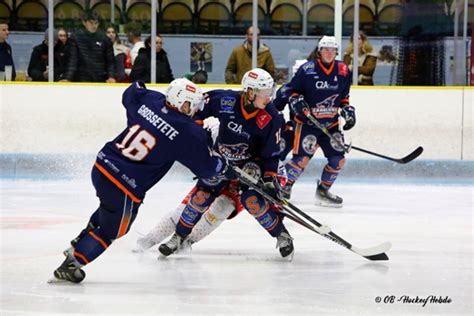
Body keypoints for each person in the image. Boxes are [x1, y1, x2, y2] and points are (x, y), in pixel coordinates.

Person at [50, 78, 235, 284]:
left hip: (103, 166)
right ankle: (72, 263)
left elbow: (131, 92)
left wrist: (140, 82)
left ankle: (81, 239)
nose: (192, 110)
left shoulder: (151, 100)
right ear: (182, 102)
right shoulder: (187, 131)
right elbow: (208, 168)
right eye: (190, 104)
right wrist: (223, 165)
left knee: (108, 208)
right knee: (113, 230)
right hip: (125, 185)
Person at [158, 68, 295, 259]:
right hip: (221, 161)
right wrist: (198, 135)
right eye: (264, 93)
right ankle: (179, 236)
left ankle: (281, 235)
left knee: (252, 201)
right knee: (201, 196)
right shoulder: (226, 101)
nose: (269, 97)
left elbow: (271, 155)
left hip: (250, 167)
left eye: (269, 92)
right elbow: (197, 109)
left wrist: (269, 179)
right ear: (250, 92)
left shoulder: (271, 117)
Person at [279, 36, 356, 208]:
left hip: (331, 124)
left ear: (336, 52)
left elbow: (343, 98)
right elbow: (292, 91)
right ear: (319, 51)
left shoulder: (343, 70)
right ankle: (284, 186)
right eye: (325, 49)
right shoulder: (307, 70)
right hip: (308, 124)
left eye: (332, 49)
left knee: (338, 160)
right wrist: (297, 101)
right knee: (301, 159)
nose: (329, 53)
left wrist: (347, 111)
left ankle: (323, 191)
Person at [62, 11, 116, 82]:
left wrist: (111, 76)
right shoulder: (75, 37)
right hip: (81, 78)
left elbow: (110, 61)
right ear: (84, 23)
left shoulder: (105, 39)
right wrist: (68, 78)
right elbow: (72, 60)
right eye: (91, 23)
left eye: (96, 23)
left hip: (100, 78)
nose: (94, 26)